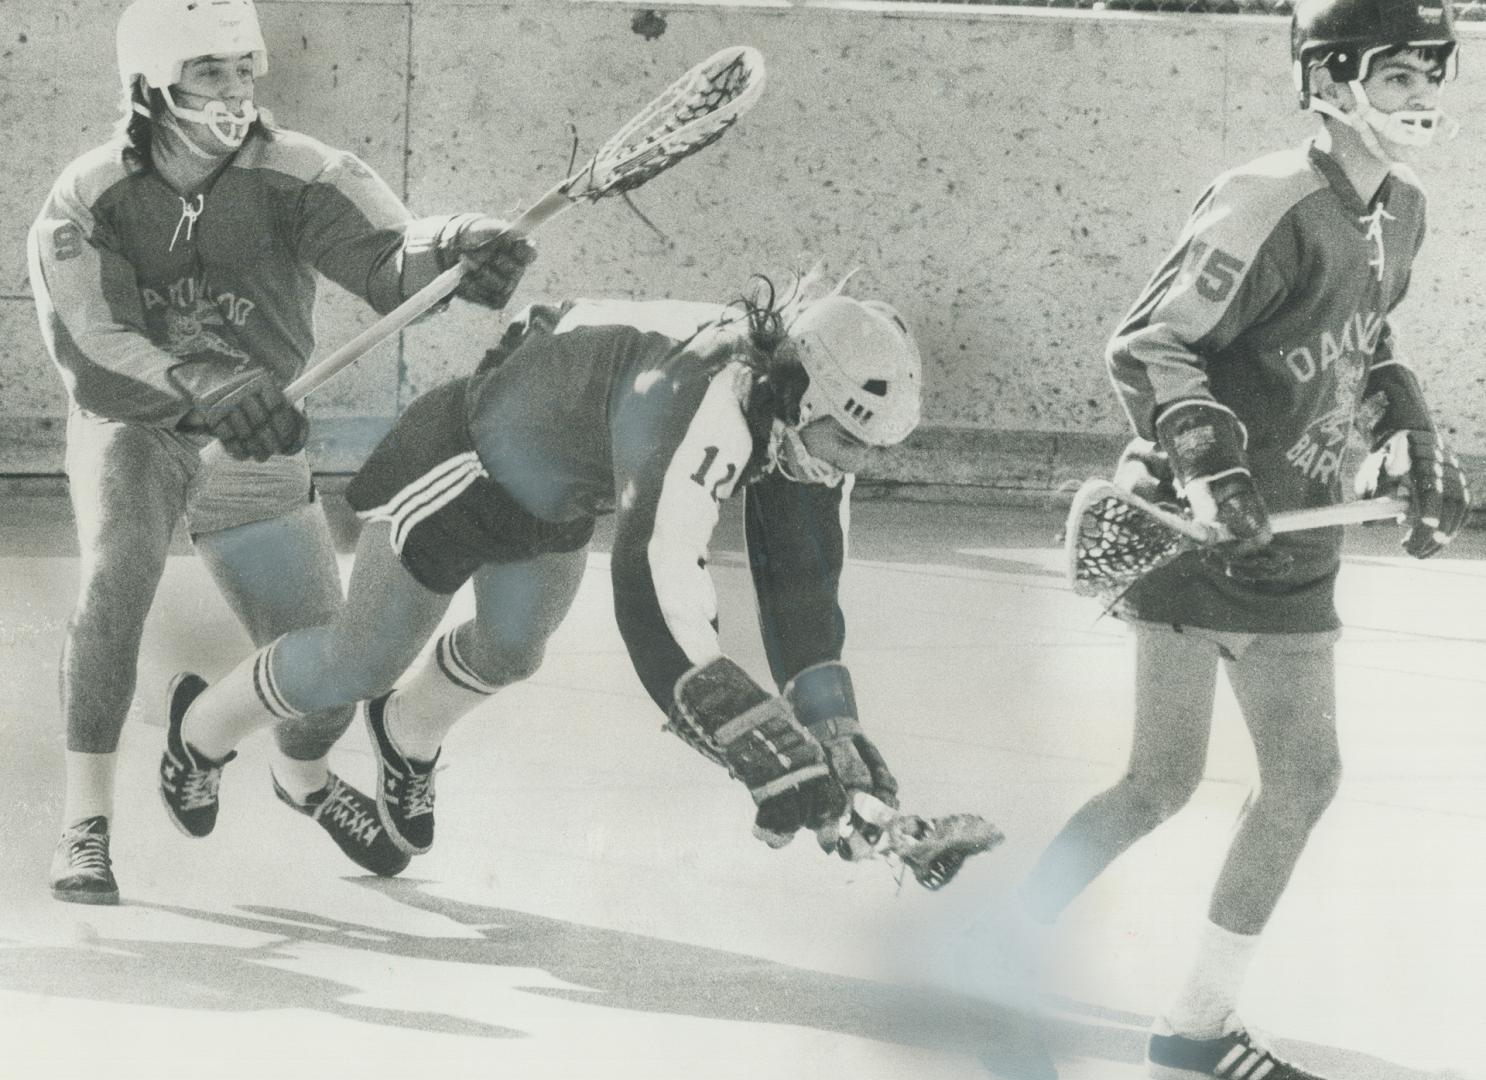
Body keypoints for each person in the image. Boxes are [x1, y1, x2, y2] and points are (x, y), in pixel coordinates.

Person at [964, 1, 1472, 1078]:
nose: (1425, 95)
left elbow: (1363, 345)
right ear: (1328, 81)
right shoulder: (1267, 198)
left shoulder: (1404, 209)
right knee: (1159, 782)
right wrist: (1211, 466)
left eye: (1437, 70)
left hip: (1293, 546)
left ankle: (1195, 1026)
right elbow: (1150, 345)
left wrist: (1410, 433)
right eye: (1397, 76)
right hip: (1198, 530)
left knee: (1302, 780)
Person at [27, 0, 535, 904]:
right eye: (209, 72)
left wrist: (458, 248)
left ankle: (299, 781)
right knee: (116, 582)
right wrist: (200, 382)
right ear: (150, 86)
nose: (235, 91)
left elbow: (391, 259)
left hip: (257, 435)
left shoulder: (304, 173)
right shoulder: (85, 196)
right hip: (138, 427)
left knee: (334, 671)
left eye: (243, 69)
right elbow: (92, 338)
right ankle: (85, 824)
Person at [152, 280, 923, 866]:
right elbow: (656, 584)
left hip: (557, 484)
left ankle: (405, 735)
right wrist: (746, 738)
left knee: (513, 651)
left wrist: (833, 725)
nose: (854, 468)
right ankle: (197, 732)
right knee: (361, 659)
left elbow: (803, 580)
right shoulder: (700, 401)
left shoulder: (797, 404)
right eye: (846, 446)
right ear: (804, 395)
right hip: (460, 467)